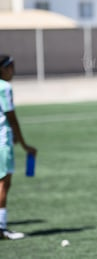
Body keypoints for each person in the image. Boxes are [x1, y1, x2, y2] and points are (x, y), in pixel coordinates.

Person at [0, 55, 37, 240]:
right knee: (3, 183)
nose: (13, 70)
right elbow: (11, 117)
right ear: (3, 68)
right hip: (1, 140)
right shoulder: (4, 87)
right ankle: (1, 228)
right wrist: (24, 144)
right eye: (11, 66)